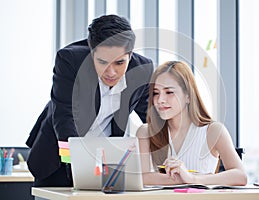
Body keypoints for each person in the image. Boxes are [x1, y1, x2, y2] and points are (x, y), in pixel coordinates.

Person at [26, 14, 153, 187]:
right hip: (58, 159)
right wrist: (78, 164)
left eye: (119, 63)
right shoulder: (70, 61)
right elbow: (65, 116)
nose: (111, 72)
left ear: (130, 55)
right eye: (102, 62)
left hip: (106, 163)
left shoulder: (141, 70)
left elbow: (151, 117)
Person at [137, 61, 247, 186]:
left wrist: (192, 179)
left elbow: (240, 176)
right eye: (156, 93)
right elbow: (141, 178)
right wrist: (182, 179)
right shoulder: (145, 132)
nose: (160, 100)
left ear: (188, 95)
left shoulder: (213, 131)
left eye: (169, 92)